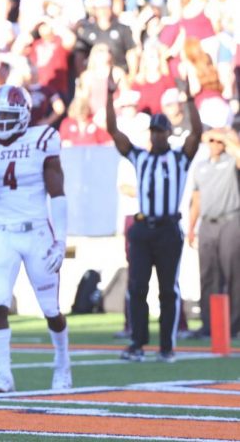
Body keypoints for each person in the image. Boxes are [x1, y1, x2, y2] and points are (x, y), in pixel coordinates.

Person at [0, 84, 72, 392]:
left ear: (23, 117)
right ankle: (4, 375)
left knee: (50, 309)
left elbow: (57, 193)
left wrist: (60, 240)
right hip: (4, 234)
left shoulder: (43, 138)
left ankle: (63, 364)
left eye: (9, 115)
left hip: (37, 232)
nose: (2, 122)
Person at [105, 72, 202, 362]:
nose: (157, 135)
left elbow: (196, 133)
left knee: (168, 290)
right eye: (154, 131)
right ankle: (137, 343)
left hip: (168, 228)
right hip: (142, 228)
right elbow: (113, 131)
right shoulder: (140, 157)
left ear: (167, 134)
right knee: (137, 286)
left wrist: (190, 100)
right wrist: (109, 98)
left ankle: (166, 347)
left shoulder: (179, 158)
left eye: (161, 131)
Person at [187, 128, 240, 339]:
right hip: (208, 223)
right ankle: (209, 324)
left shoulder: (231, 163)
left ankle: (235, 325)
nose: (215, 144)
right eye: (212, 141)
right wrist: (191, 227)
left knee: (233, 274)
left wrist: (227, 138)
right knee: (208, 275)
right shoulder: (201, 167)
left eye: (219, 141)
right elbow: (196, 199)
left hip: (230, 220)